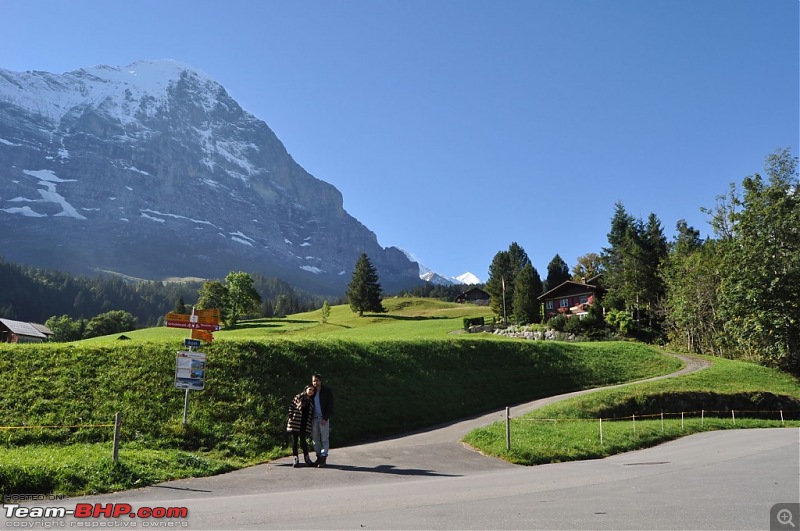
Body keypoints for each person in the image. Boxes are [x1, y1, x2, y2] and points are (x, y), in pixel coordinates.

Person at [286, 384, 315, 467]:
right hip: (296, 422)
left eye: (313, 391)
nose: (311, 392)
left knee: (303, 442)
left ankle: (307, 458)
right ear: (306, 389)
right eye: (310, 389)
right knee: (295, 442)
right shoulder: (299, 397)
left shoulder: (312, 400)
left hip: (305, 423)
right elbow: (292, 406)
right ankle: (295, 459)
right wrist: (290, 416)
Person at [310, 373, 334, 467]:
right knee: (315, 439)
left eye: (317, 380)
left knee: (324, 438)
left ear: (320, 381)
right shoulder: (312, 391)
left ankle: (323, 457)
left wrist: (325, 418)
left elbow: (330, 405)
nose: (315, 383)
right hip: (314, 419)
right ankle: (319, 457)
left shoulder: (327, 391)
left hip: (323, 418)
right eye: (313, 381)